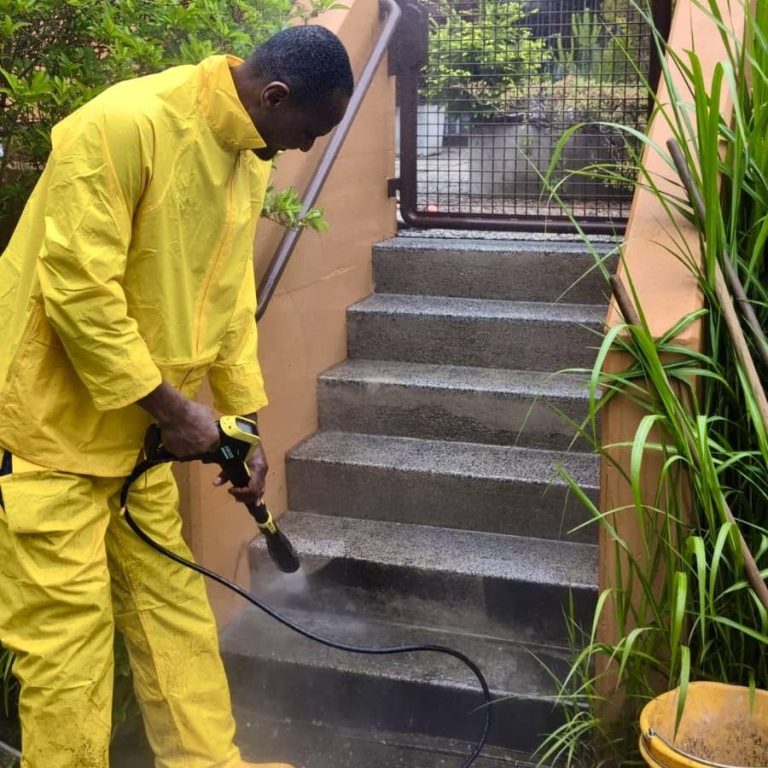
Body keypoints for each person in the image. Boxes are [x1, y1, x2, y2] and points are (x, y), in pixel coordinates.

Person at [0, 24, 353, 768]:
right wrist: (176, 411)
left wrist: (242, 424)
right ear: (274, 95)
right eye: (309, 131)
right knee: (68, 647)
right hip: (47, 437)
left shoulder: (246, 155)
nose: (307, 148)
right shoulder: (124, 125)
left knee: (175, 614)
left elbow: (228, 302)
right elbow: (79, 292)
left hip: (139, 443)